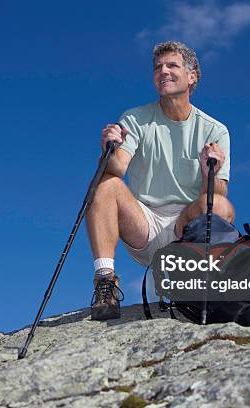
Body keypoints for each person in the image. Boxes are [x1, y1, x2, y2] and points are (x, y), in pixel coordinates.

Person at [86, 41, 235, 321]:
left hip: (186, 228)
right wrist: (108, 148)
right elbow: (116, 169)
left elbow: (217, 196)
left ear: (192, 77)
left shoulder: (215, 130)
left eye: (171, 65)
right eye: (157, 67)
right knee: (105, 184)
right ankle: (105, 282)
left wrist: (209, 172)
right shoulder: (135, 118)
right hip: (145, 224)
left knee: (221, 207)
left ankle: (199, 285)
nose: (162, 71)